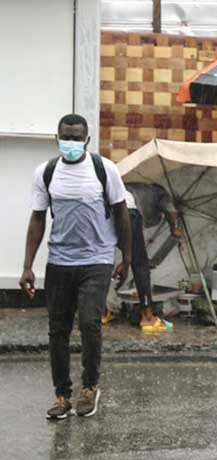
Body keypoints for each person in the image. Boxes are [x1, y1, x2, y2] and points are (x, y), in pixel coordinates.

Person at [20, 114, 131, 420]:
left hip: (97, 259)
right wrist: (28, 265)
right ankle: (62, 395)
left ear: (86, 140)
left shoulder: (103, 169)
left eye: (76, 138)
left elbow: (122, 215)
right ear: (57, 138)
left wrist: (127, 259)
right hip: (59, 261)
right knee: (58, 330)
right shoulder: (46, 172)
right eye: (65, 137)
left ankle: (90, 387)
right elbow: (38, 219)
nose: (70, 143)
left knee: (90, 323)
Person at [114, 182, 180, 330]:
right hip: (129, 212)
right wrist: (174, 228)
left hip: (108, 210)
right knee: (140, 266)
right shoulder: (161, 194)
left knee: (104, 260)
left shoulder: (135, 187)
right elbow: (171, 211)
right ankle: (147, 316)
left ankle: (104, 310)